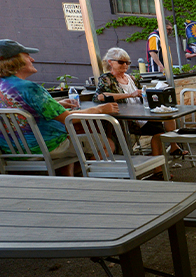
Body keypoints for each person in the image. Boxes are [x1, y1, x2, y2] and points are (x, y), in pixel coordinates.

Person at [0, 39, 119, 176]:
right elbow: (68, 119)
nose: (32, 59)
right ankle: (85, 180)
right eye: (27, 56)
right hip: (46, 147)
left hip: (11, 150)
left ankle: (69, 179)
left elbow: (18, 107)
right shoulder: (29, 88)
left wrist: (58, 104)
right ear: (15, 61)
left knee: (69, 138)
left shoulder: (5, 86)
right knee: (106, 142)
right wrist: (100, 109)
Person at [95, 47, 185, 168]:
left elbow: (141, 94)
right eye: (121, 62)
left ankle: (171, 149)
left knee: (169, 117)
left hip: (142, 113)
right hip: (128, 119)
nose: (125, 65)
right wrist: (129, 94)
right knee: (160, 131)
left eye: (127, 62)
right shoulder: (106, 79)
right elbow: (100, 97)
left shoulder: (131, 78)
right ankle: (159, 168)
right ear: (110, 62)